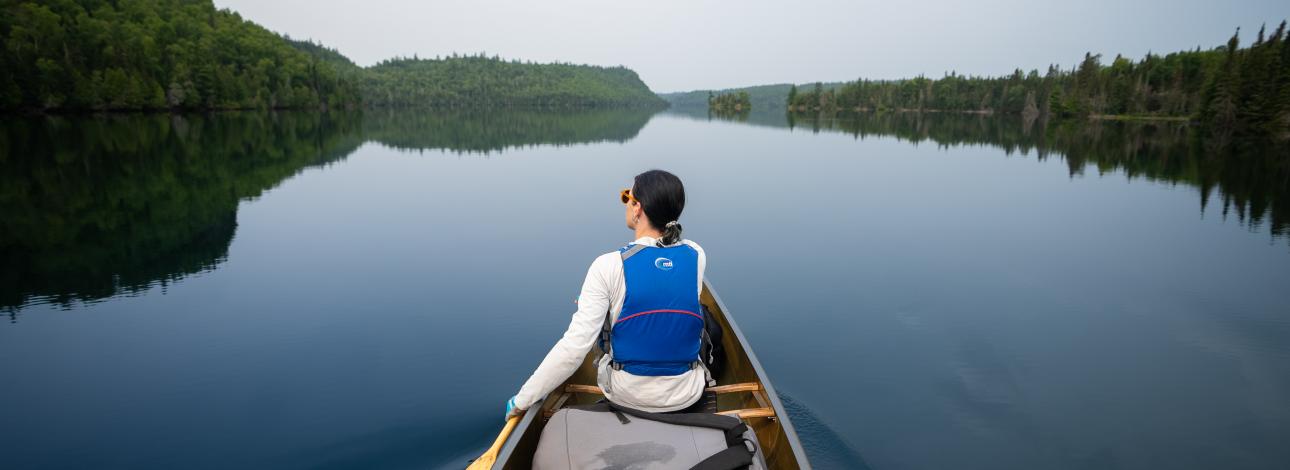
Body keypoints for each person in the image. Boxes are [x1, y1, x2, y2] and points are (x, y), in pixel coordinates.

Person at [505, 169, 709, 420]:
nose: (625, 203)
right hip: (686, 393)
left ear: (638, 209)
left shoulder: (607, 265)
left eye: (628, 197)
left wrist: (521, 401)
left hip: (627, 395)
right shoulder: (696, 255)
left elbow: (573, 350)